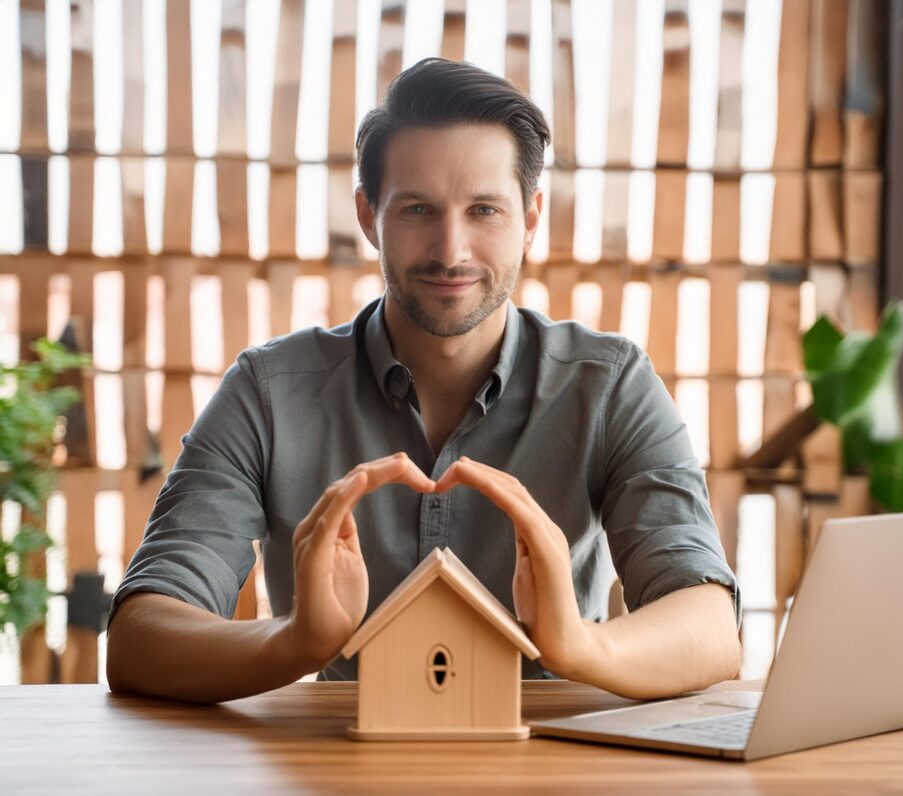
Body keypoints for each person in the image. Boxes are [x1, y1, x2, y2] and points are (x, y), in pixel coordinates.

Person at [106, 58, 741, 704]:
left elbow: (711, 627)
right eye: (417, 209)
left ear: (529, 218)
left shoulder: (609, 385)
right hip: (336, 766)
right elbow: (138, 637)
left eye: (484, 210)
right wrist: (293, 642)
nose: (450, 250)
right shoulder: (268, 392)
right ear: (367, 214)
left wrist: (579, 644)